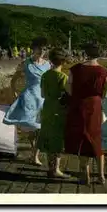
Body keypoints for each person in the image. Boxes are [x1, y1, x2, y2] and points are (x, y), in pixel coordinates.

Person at [65, 42, 107, 185]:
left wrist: (78, 96)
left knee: (82, 138)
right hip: (95, 106)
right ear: (98, 55)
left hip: (79, 105)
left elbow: (69, 89)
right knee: (96, 139)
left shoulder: (74, 69)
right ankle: (101, 176)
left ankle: (85, 176)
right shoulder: (105, 72)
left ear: (85, 54)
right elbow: (105, 94)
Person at [3, 37, 50, 166]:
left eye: (44, 48)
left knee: (41, 128)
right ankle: (34, 154)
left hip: (43, 99)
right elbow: (13, 80)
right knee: (32, 128)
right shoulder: (26, 63)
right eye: (39, 48)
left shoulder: (48, 65)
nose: (41, 51)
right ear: (33, 48)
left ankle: (35, 155)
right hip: (29, 98)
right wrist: (14, 92)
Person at [37, 48, 71, 178]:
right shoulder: (63, 77)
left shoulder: (45, 75)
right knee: (57, 139)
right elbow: (68, 95)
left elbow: (42, 94)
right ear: (63, 61)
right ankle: (55, 169)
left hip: (47, 107)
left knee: (47, 135)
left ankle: (50, 167)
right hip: (58, 109)